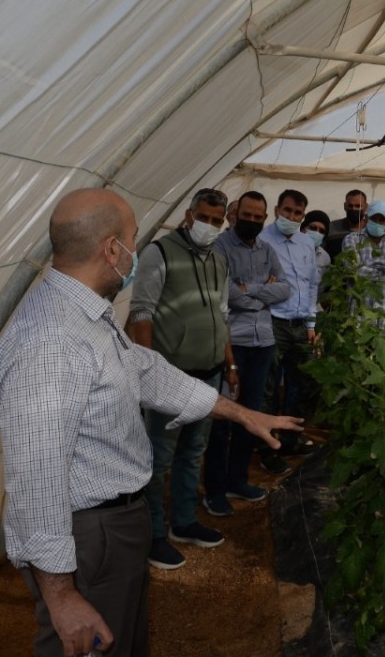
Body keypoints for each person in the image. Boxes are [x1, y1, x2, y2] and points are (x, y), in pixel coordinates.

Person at [0, 187, 301, 657]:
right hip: (89, 539)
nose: (136, 252)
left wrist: (241, 412)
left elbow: (145, 369)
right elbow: (35, 479)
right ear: (111, 249)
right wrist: (63, 597)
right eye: (134, 239)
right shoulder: (51, 341)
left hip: (113, 528)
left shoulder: (85, 317)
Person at [124, 188, 234, 571]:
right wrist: (150, 370)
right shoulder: (160, 252)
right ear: (188, 214)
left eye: (216, 221)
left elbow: (222, 314)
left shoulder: (218, 260)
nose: (208, 226)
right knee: (158, 458)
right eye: (202, 217)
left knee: (192, 454)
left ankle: (184, 522)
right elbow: (142, 313)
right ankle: (154, 534)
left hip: (208, 374)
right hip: (170, 377)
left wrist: (229, 363)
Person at [205, 191, 289, 513]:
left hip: (263, 341)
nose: (253, 221)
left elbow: (284, 289)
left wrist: (248, 290)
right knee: (222, 415)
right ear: (236, 213)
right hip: (232, 343)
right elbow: (225, 294)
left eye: (259, 217)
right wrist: (261, 294)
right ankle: (214, 489)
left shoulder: (267, 249)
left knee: (252, 414)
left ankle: (238, 480)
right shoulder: (220, 247)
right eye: (248, 215)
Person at [259, 189, 320, 459]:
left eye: (297, 213)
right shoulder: (261, 240)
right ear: (276, 210)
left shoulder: (307, 243)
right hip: (273, 320)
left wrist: (311, 324)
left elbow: (311, 285)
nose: (291, 217)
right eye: (287, 211)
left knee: (302, 382)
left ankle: (292, 436)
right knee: (269, 386)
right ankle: (268, 445)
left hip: (300, 324)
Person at [342, 199, 385, 327]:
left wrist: (366, 264)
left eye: (381, 219)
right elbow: (353, 270)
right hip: (359, 317)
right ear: (365, 218)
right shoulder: (351, 239)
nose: (377, 222)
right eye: (373, 218)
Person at [324, 188, 367, 258]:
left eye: (358, 206)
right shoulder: (331, 228)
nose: (353, 209)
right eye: (350, 206)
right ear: (345, 206)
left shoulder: (372, 230)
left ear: (366, 207)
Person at [302, 210, 332, 282]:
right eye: (313, 228)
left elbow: (322, 287)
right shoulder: (289, 249)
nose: (317, 232)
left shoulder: (325, 257)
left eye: (321, 231)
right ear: (303, 229)